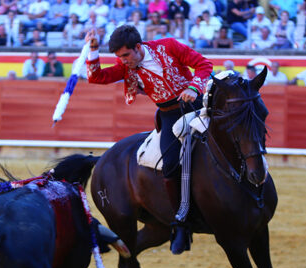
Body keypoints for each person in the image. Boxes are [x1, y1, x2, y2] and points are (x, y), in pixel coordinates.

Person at [85, 25, 213, 254]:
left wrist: (194, 87)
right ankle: (181, 225)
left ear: (138, 47)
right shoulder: (126, 67)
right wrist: (93, 50)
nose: (123, 61)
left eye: (125, 55)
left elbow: (204, 65)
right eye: (118, 57)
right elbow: (96, 77)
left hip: (199, 104)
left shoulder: (169, 46)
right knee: (171, 164)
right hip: (170, 115)